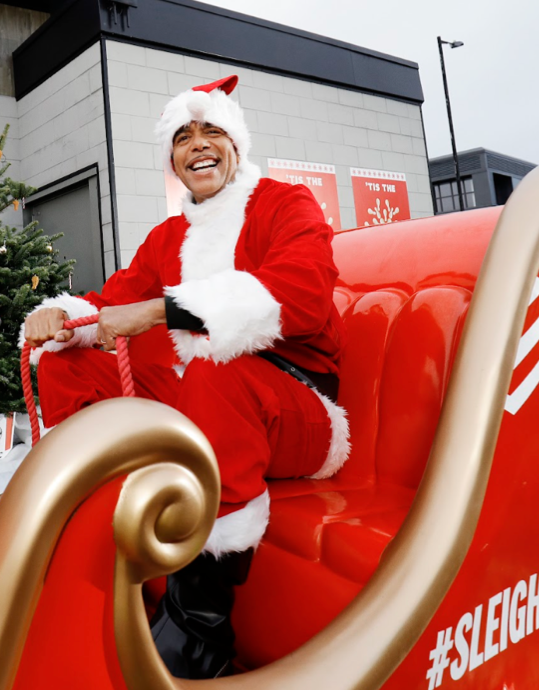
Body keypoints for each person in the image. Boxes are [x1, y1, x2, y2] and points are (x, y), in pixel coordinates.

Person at [22, 74, 349, 678]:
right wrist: (65, 319)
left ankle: (200, 629)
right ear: (172, 157)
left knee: (214, 372)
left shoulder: (286, 203)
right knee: (71, 360)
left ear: (237, 144)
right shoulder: (168, 235)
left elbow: (301, 295)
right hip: (209, 398)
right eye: (183, 136)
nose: (198, 144)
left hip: (301, 409)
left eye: (213, 131)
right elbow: (111, 305)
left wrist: (160, 309)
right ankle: (87, 524)